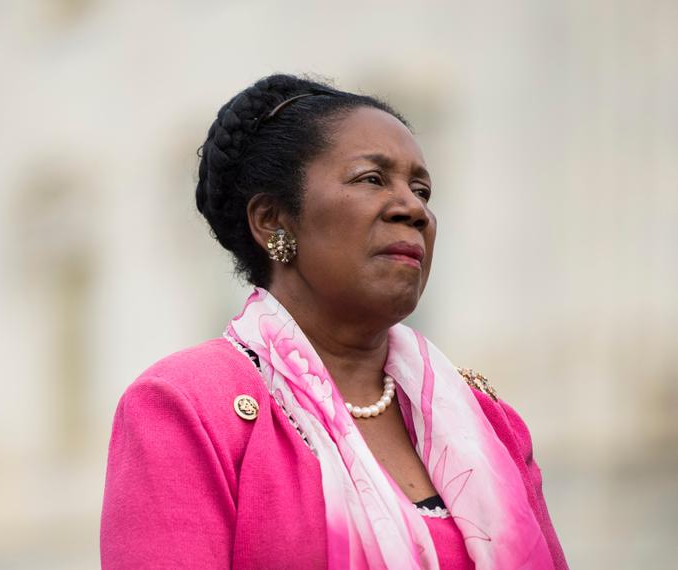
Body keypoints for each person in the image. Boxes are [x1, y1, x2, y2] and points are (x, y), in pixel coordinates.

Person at [100, 74, 568, 569]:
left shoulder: (488, 422)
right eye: (371, 178)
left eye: (422, 190)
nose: (413, 209)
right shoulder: (187, 406)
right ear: (272, 221)